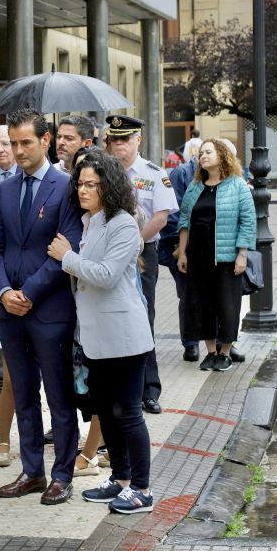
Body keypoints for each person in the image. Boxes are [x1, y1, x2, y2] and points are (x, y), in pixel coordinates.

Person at [47, 151, 157, 514]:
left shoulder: (123, 222)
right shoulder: (90, 221)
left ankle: (141, 488)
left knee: (127, 412)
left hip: (124, 334)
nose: (83, 190)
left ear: (108, 186)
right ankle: (121, 479)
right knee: (105, 412)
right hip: (95, 336)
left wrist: (67, 257)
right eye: (80, 184)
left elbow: (107, 275)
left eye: (92, 184)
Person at [0, 108, 82, 505]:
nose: (18, 150)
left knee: (59, 397)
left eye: (26, 142)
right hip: (11, 311)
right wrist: (5, 292)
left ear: (46, 141)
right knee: (22, 393)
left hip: (50, 311)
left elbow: (66, 249)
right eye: (13, 142)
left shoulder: (65, 187)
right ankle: (31, 472)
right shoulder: (5, 189)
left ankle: (63, 474)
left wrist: (30, 293)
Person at [105, 115, 178, 415]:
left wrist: (132, 243)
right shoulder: (101, 172)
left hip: (142, 252)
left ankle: (148, 389)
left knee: (142, 317)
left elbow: (161, 216)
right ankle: (115, 389)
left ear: (138, 140)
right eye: (114, 139)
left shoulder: (153, 173)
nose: (119, 145)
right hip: (105, 254)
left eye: (125, 139)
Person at [177, 139, 256, 372]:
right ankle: (210, 352)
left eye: (208, 152)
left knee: (227, 305)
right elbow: (184, 222)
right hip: (198, 257)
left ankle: (225, 353)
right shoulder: (195, 187)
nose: (203, 156)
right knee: (202, 304)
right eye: (201, 153)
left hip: (226, 258)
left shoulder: (237, 185)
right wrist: (182, 253)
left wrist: (242, 254)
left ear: (222, 155)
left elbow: (248, 221)